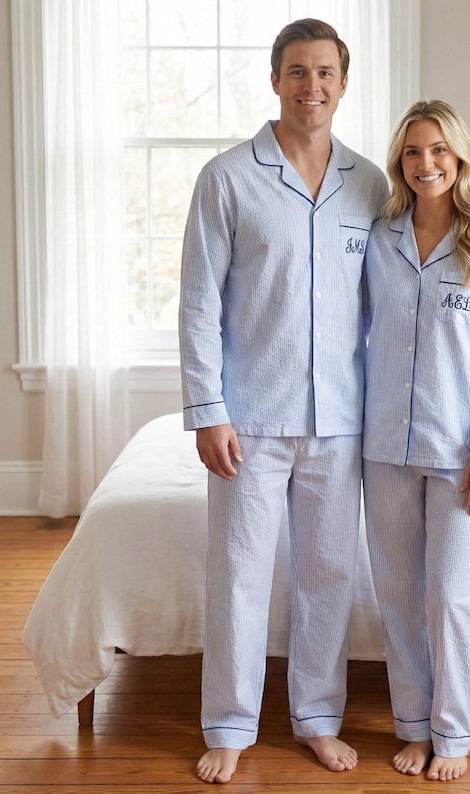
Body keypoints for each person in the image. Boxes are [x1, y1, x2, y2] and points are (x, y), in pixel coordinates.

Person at [178, 19, 388, 785]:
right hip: (252, 419)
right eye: (297, 72)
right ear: (275, 80)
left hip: (341, 421)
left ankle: (317, 719)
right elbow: (199, 304)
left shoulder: (369, 184)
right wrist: (208, 410)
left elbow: (386, 307)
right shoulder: (227, 178)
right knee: (237, 575)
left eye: (326, 72)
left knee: (329, 574)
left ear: (343, 82)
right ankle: (230, 724)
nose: (313, 87)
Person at [362, 99, 470, 782]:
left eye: (437, 150)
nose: (425, 163)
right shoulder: (381, 239)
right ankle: (411, 724)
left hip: (458, 452)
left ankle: (451, 733)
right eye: (411, 151)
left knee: (453, 599)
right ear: (399, 162)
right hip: (384, 450)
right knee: (399, 595)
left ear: (459, 157)